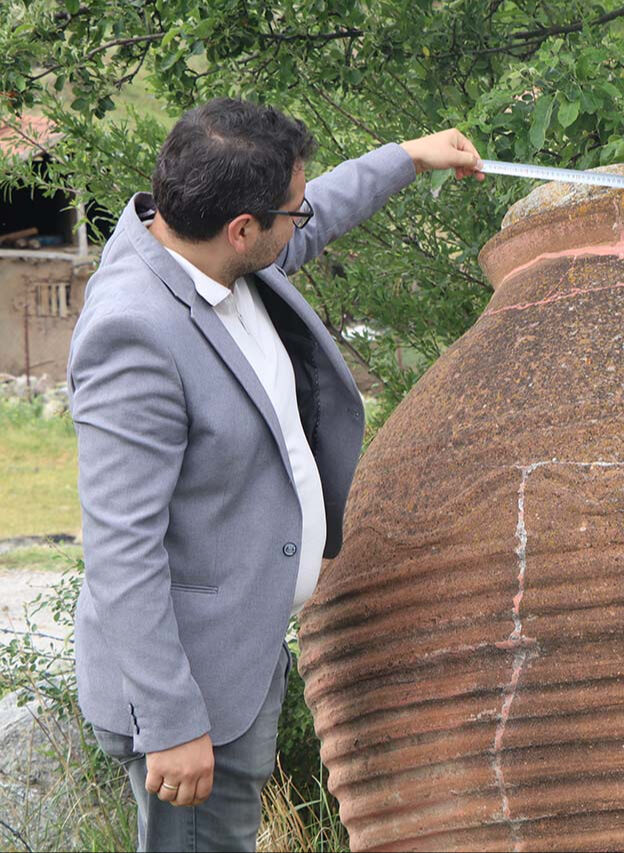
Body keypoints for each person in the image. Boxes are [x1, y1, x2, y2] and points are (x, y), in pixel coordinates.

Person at [68, 97, 484, 851]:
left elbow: (320, 211)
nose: (305, 220)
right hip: (191, 696)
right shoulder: (133, 332)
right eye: (293, 212)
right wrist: (172, 723)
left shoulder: (211, 252)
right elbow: (122, 551)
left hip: (242, 655)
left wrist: (410, 156)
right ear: (243, 228)